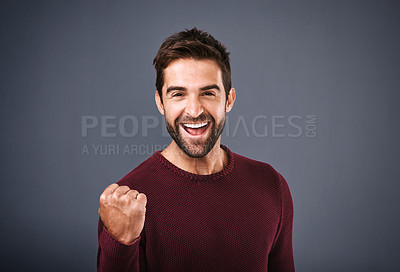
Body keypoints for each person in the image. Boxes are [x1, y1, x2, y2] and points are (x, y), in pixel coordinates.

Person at [97, 27, 295, 272]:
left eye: (208, 93)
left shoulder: (271, 186)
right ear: (160, 102)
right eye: (178, 94)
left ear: (229, 100)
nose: (194, 110)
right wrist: (121, 243)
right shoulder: (128, 204)